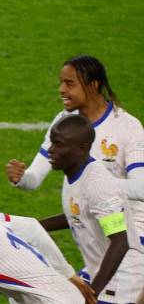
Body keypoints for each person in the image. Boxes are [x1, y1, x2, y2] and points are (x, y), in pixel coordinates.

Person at [6, 55, 144, 245]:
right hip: (97, 235)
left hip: (133, 236)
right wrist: (21, 178)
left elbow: (141, 188)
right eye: (61, 83)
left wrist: (94, 185)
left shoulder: (127, 126)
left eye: (69, 84)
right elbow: (34, 178)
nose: (61, 89)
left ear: (93, 85)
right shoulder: (64, 122)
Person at [37, 114, 144, 303]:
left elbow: (120, 241)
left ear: (82, 148)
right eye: (52, 143)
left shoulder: (96, 185)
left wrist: (92, 294)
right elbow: (80, 213)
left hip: (120, 281)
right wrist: (36, 226)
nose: (51, 150)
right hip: (102, 272)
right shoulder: (75, 173)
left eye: (59, 144)